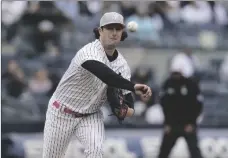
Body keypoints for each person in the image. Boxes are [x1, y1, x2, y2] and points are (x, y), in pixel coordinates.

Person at [42, 12, 152, 158]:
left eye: (118, 29)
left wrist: (124, 110)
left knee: (96, 152)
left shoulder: (122, 65)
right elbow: (106, 75)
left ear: (122, 33)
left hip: (90, 115)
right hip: (61, 112)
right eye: (109, 28)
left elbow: (129, 105)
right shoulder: (88, 52)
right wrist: (133, 86)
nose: (114, 33)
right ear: (100, 31)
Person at [157, 61, 203, 158]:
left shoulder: (191, 84)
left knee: (195, 151)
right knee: (163, 152)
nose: (176, 76)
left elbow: (198, 106)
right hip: (172, 125)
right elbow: (164, 105)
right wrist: (167, 123)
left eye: (178, 73)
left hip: (188, 125)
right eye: (174, 73)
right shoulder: (167, 83)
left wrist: (192, 123)